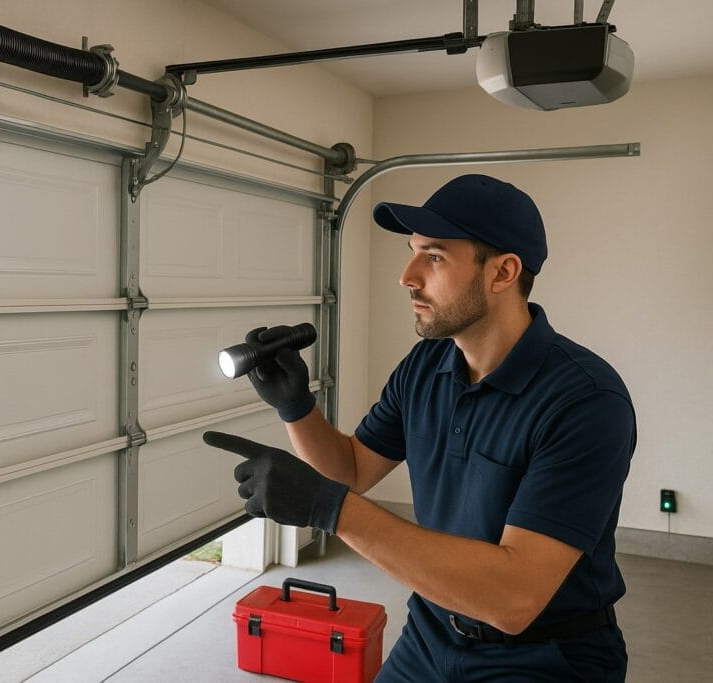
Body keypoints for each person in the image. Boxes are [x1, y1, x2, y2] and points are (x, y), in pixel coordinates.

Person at [204, 174, 635, 681]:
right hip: (432, 634)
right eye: (412, 252)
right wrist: (297, 408)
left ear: (503, 272)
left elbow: (515, 598)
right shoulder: (425, 365)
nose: (407, 276)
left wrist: (330, 509)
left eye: (433, 256)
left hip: (544, 655)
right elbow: (352, 470)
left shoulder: (585, 400)